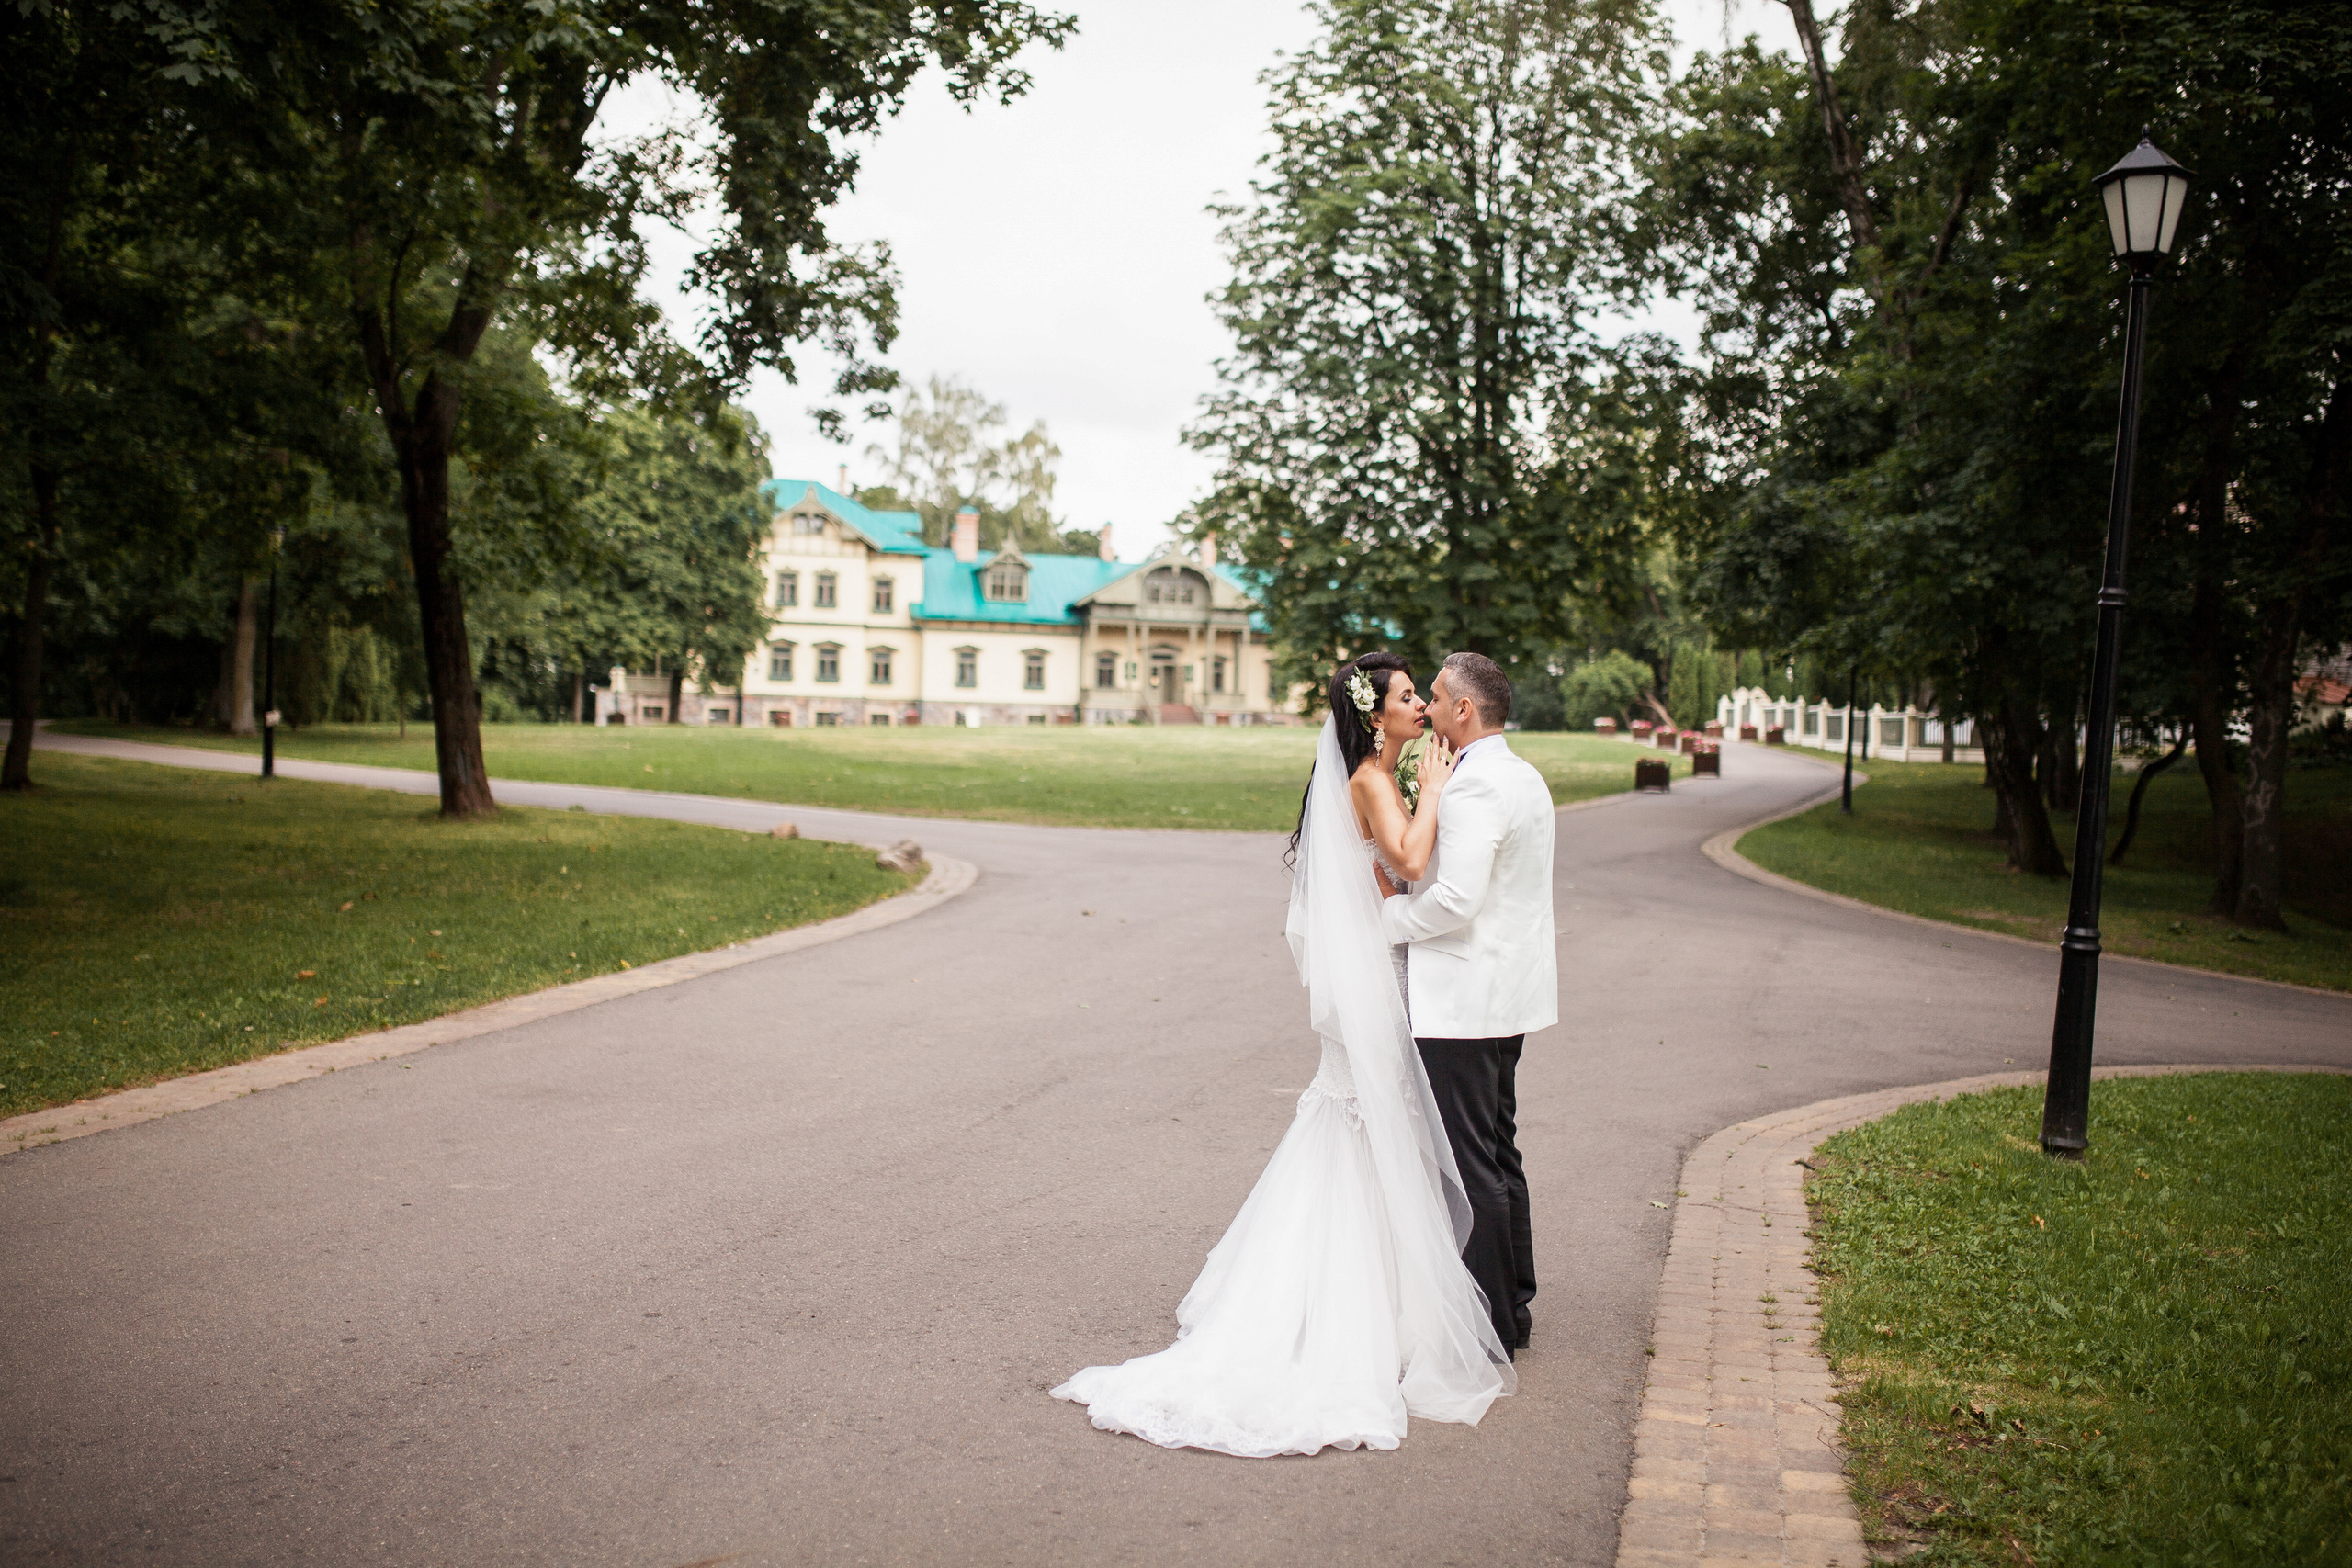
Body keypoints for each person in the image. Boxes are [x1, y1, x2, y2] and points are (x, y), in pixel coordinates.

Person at [1050, 653, 1515, 1458]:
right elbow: (1406, 862)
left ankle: (1375, 1304)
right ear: (1376, 715)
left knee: (1371, 1127)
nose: (1421, 709)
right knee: (1365, 1120)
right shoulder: (1374, 776)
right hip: (1371, 977)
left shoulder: (1383, 773)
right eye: (1409, 698)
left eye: (1421, 697)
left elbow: (1391, 874)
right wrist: (1434, 792)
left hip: (1383, 964)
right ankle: (1341, 1314)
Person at [1379, 650, 1556, 1355]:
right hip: (1504, 995)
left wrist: (1389, 919)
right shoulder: (1524, 775)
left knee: (1471, 1161)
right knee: (1497, 1151)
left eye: (1437, 696)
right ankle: (1512, 1307)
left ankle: (1486, 1325)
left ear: (1465, 711)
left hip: (1462, 999)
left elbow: (1456, 898)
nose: (1426, 709)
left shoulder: (1478, 786)